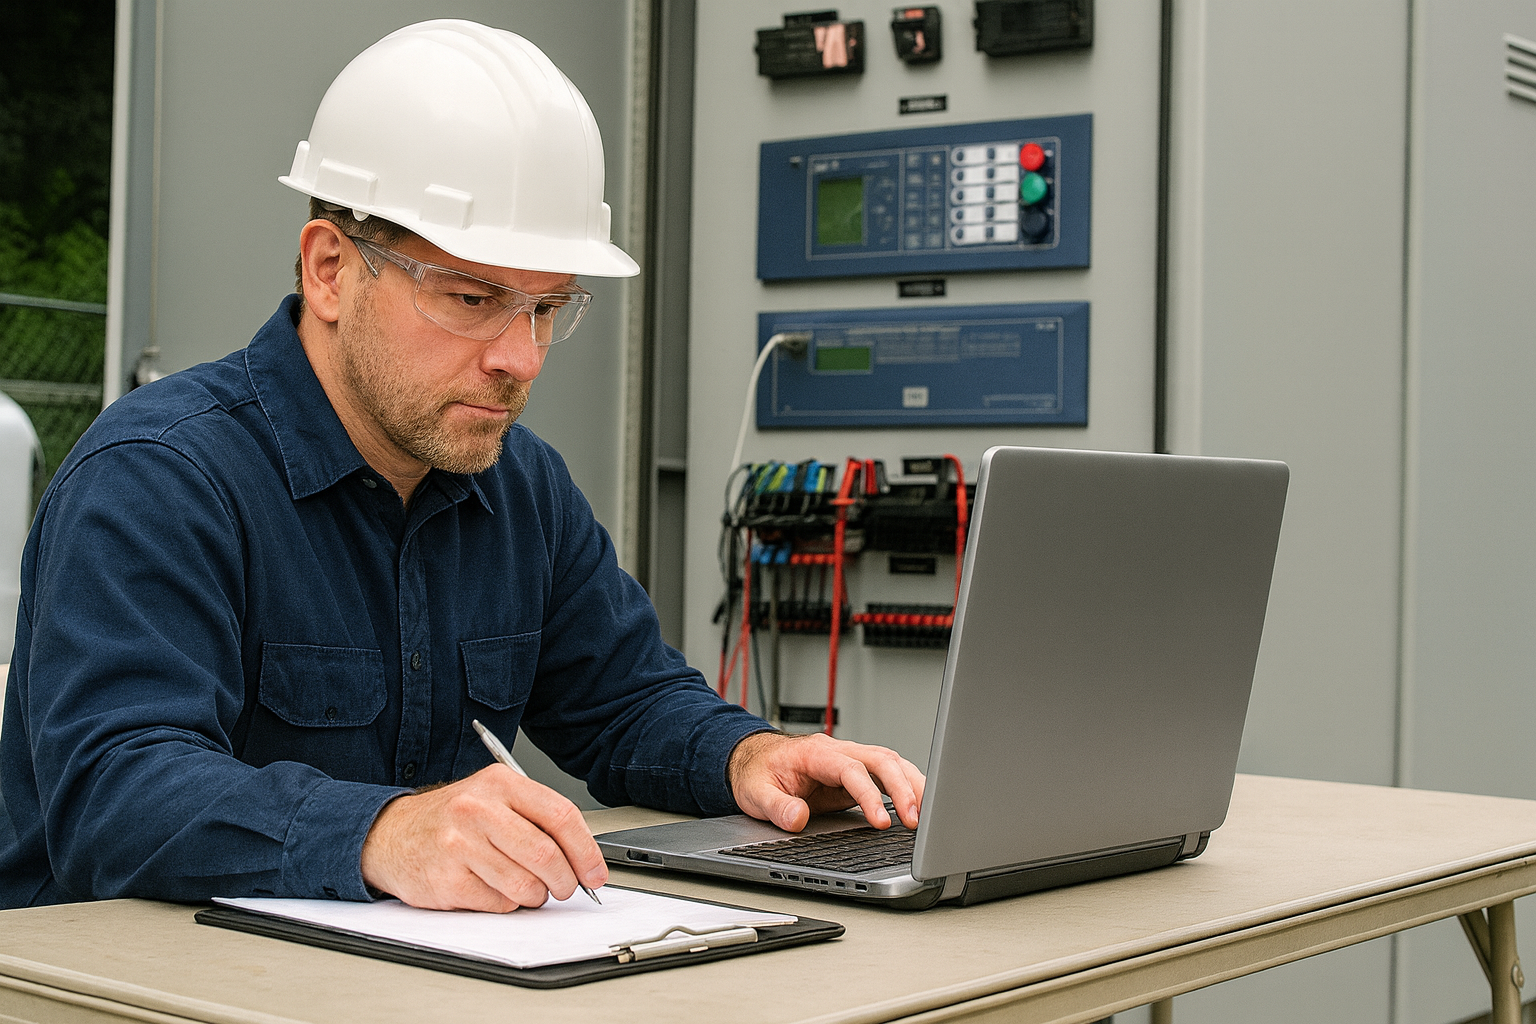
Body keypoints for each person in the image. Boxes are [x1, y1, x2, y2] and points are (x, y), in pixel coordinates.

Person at [0, 20, 923, 911]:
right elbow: (112, 794)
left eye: (547, 308)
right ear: (329, 270)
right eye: (474, 297)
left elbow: (625, 703)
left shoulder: (519, 489)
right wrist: (382, 832)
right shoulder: (158, 479)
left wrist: (749, 758)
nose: (520, 358)